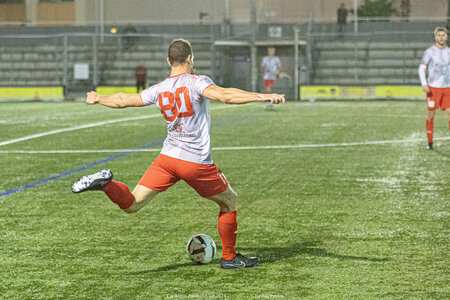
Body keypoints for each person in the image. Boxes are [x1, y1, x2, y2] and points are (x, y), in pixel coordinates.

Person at [72, 38, 285, 269]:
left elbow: (124, 100)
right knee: (229, 201)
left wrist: (98, 98)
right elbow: (225, 95)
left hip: (167, 159)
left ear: (168, 61)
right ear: (190, 58)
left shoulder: (159, 88)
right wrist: (261, 96)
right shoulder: (197, 82)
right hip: (195, 162)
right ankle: (229, 258)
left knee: (132, 204)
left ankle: (106, 184)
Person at [418, 27, 450, 150]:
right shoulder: (429, 52)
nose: (441, 37)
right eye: (439, 35)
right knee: (431, 114)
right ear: (435, 37)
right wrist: (424, 83)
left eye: (443, 35)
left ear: (446, 37)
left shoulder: (449, 51)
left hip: (448, 88)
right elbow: (422, 68)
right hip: (433, 88)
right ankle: (430, 142)